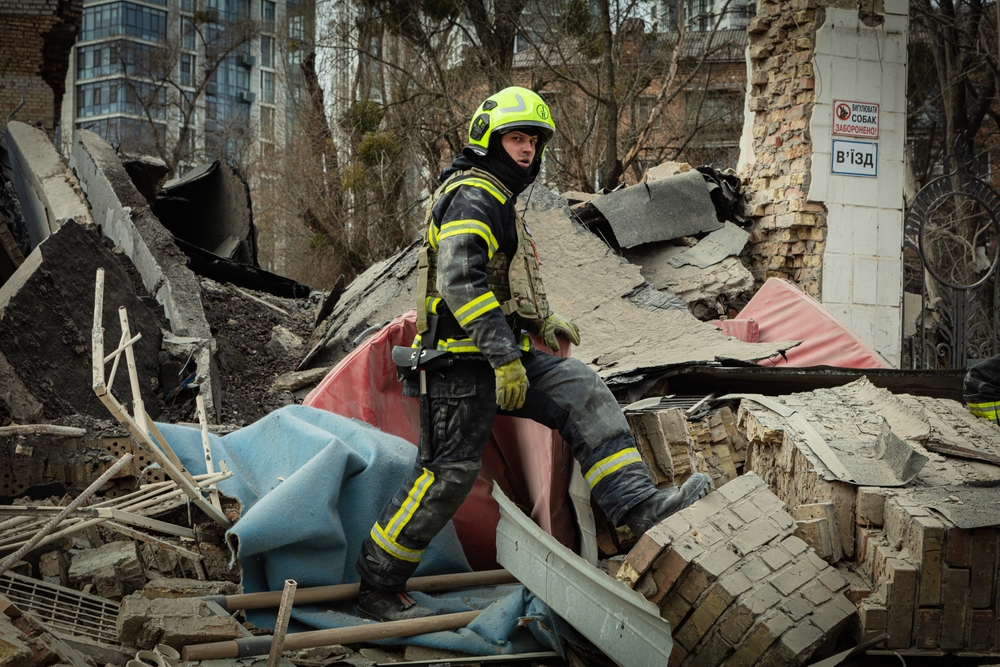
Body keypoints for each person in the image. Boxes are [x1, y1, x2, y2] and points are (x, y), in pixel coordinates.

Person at [355, 86, 712, 622]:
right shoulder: (473, 195)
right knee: (446, 475)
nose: (527, 150)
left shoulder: (499, 196)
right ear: (489, 140)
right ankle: (376, 584)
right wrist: (503, 358)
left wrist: (539, 322)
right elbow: (460, 281)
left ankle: (638, 510)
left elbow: (502, 281)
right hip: (457, 363)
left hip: (502, 356)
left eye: (534, 141)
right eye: (517, 138)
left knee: (581, 390)